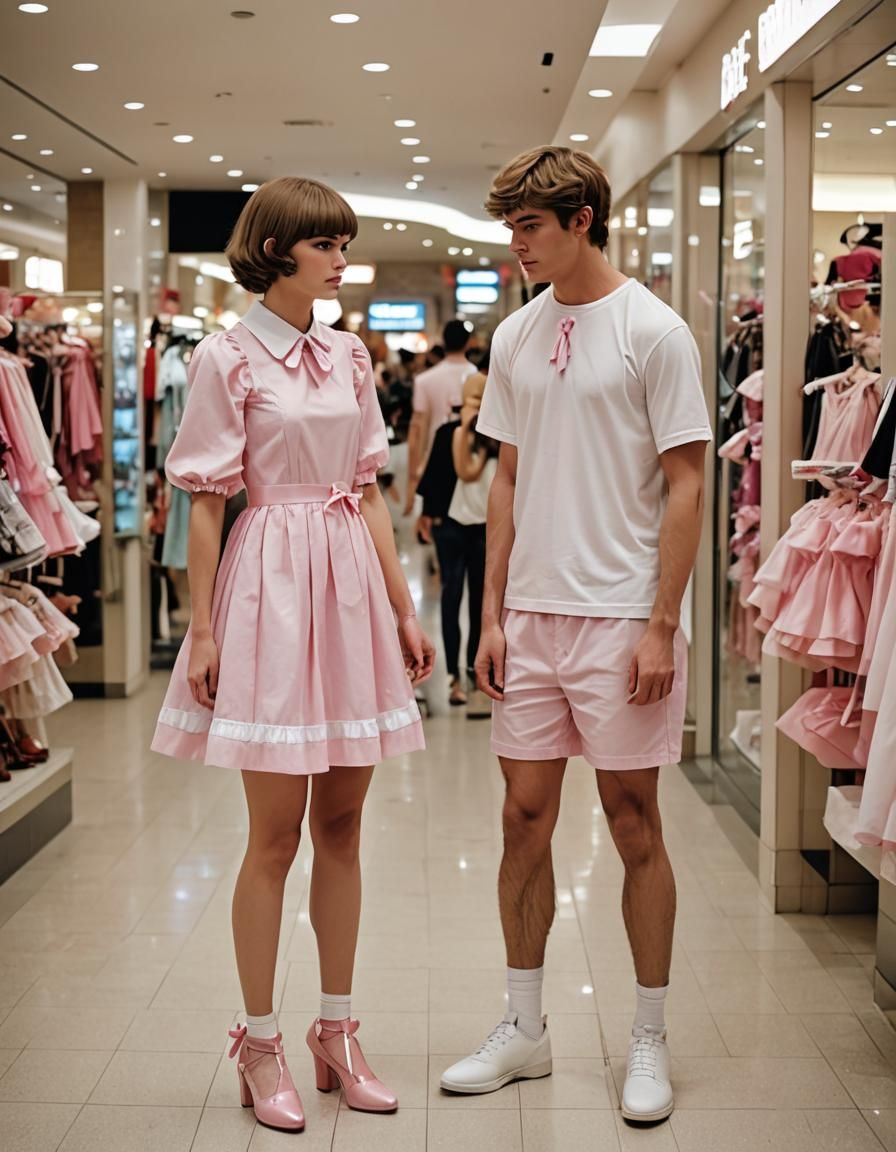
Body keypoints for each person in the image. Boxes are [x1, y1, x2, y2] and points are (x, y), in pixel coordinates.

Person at [150, 177, 434, 1133]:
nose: (341, 257)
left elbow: (370, 487)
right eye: (326, 243)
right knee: (274, 836)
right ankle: (260, 1040)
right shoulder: (226, 355)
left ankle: (337, 1031)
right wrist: (201, 629)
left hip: (347, 580)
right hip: (269, 581)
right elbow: (206, 501)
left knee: (343, 827)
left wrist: (403, 608)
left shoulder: (349, 353)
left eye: (344, 242)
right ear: (276, 251)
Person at [440, 147, 711, 1124]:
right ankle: (524, 1026)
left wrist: (661, 623)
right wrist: (492, 614)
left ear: (581, 219)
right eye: (510, 227)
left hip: (621, 617)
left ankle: (648, 1036)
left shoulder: (653, 331)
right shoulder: (515, 333)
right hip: (533, 619)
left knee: (633, 822)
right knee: (521, 818)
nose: (515, 244)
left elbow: (687, 482)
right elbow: (506, 477)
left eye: (529, 226)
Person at [404, 319, 476, 517]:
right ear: (468, 343)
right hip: (471, 461)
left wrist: (413, 479)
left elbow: (417, 429)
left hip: (434, 463)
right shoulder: (479, 378)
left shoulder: (425, 380)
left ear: (443, 342)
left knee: (436, 523)